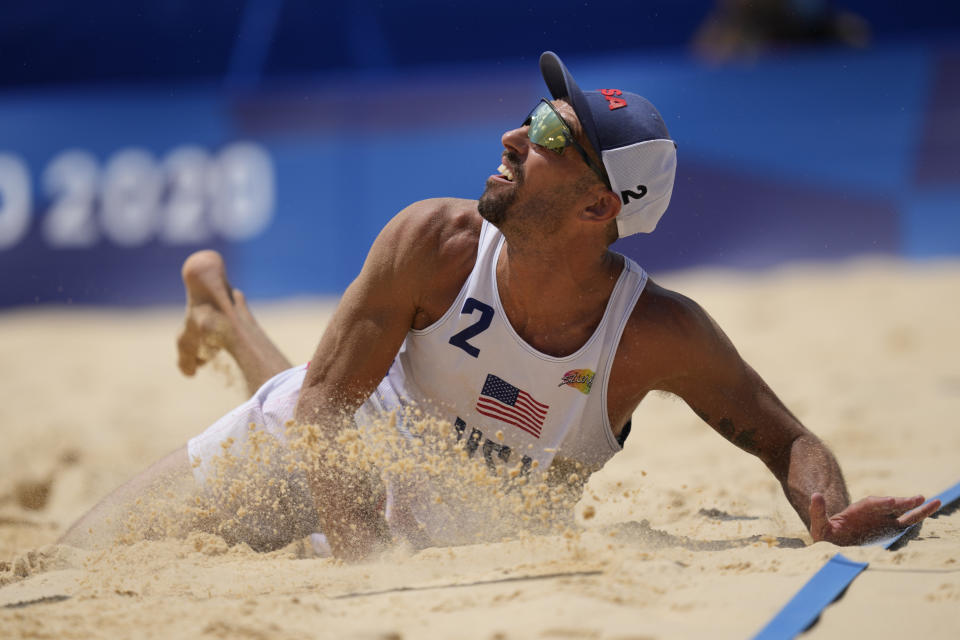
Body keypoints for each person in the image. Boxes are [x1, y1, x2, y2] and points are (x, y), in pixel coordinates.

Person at [62, 51, 939, 559]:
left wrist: (822, 511)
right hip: (313, 461)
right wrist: (367, 576)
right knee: (63, 570)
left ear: (602, 207)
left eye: (553, 136)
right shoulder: (432, 245)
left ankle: (221, 309)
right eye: (533, 115)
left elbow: (785, 438)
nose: (516, 134)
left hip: (422, 523)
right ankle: (222, 306)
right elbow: (324, 411)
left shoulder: (656, 335)